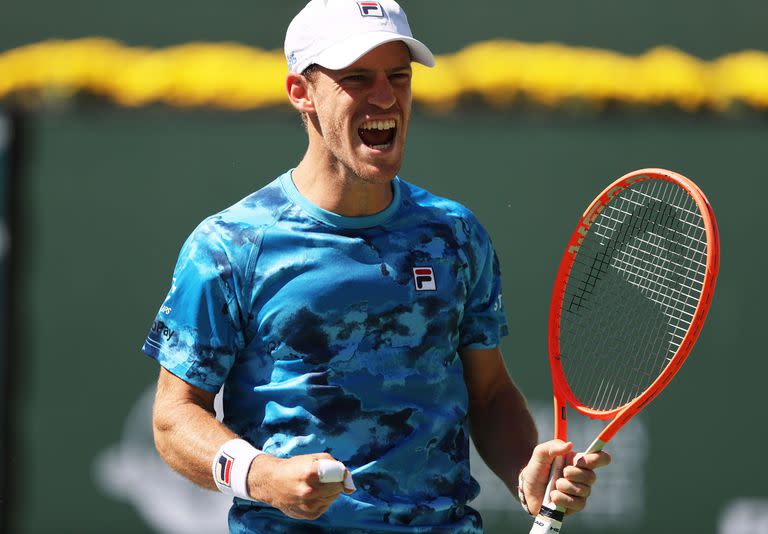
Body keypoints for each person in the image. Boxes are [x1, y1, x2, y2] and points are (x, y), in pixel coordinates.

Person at [142, 1, 611, 532]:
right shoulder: (228, 246)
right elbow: (173, 419)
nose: (385, 96)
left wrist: (527, 470)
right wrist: (261, 475)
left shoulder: (455, 234)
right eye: (357, 79)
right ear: (302, 92)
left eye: (398, 77)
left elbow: (489, 392)